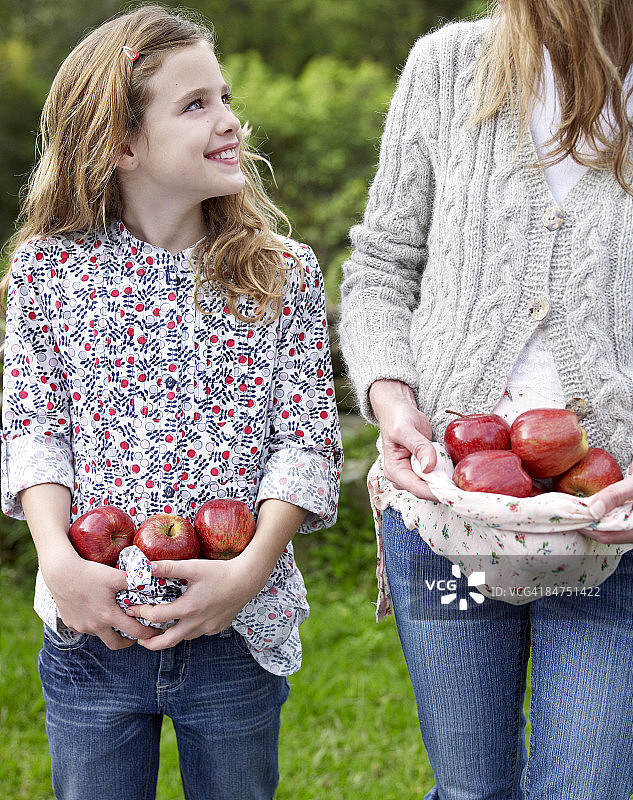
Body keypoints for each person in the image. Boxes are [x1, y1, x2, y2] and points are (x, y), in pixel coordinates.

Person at [0, 5, 342, 799]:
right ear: (121, 144)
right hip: (95, 623)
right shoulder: (52, 272)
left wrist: (249, 573)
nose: (229, 121)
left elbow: (304, 443)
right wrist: (59, 561)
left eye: (223, 97)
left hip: (235, 626)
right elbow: (34, 430)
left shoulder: (280, 271)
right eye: (195, 105)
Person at [339, 0, 633, 797]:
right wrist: (392, 399)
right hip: (444, 518)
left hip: (613, 535)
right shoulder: (446, 69)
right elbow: (380, 270)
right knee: (472, 788)